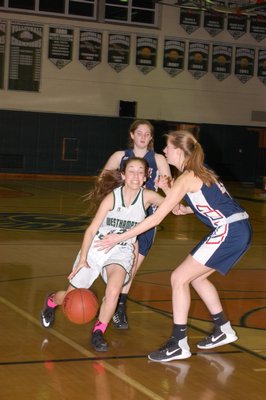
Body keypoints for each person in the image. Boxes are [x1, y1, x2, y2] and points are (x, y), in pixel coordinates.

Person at [95, 130, 252, 362]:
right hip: (239, 228)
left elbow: (156, 218)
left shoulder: (187, 177)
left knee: (178, 278)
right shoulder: (200, 170)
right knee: (196, 278)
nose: (165, 150)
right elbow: (183, 209)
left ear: (178, 150)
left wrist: (119, 237)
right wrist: (168, 189)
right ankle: (223, 328)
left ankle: (178, 342)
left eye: (167, 147)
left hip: (229, 230)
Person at [40, 157, 165, 352]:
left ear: (146, 176)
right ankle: (51, 300)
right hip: (97, 247)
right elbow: (91, 230)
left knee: (114, 292)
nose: (135, 175)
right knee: (71, 298)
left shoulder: (149, 196)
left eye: (140, 171)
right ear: (123, 175)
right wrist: (82, 259)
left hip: (122, 251)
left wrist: (167, 187)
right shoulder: (112, 198)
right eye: (131, 171)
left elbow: (177, 207)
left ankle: (98, 331)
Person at [102, 119, 172, 329]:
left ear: (151, 138)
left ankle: (119, 308)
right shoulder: (119, 156)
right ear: (132, 135)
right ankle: (111, 302)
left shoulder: (158, 159)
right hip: (119, 219)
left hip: (146, 219)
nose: (143, 136)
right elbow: (101, 183)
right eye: (139, 133)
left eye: (147, 134)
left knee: (131, 267)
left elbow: (171, 192)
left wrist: (166, 191)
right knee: (115, 266)